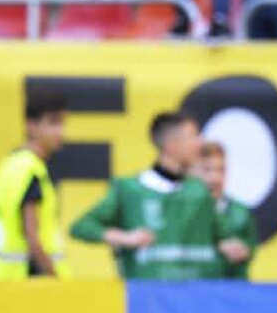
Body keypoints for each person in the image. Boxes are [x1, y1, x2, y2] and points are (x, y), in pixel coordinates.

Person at [70, 112, 243, 279]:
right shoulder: (129, 189)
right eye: (193, 136)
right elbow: (81, 227)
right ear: (171, 145)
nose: (200, 143)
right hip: (149, 300)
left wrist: (229, 246)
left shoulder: (200, 191)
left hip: (195, 299)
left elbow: (224, 235)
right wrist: (125, 238)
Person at [0, 91, 71, 279]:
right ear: (31, 126)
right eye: (53, 123)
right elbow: (33, 238)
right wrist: (56, 278)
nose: (60, 132)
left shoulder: (10, 164)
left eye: (63, 123)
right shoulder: (32, 171)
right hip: (26, 282)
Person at [191, 140, 258, 278]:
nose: (216, 178)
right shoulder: (179, 210)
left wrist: (243, 250)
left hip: (231, 293)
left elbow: (250, 247)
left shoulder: (240, 212)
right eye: (207, 170)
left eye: (221, 170)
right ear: (191, 171)